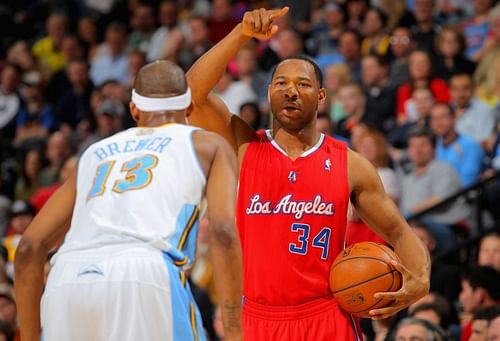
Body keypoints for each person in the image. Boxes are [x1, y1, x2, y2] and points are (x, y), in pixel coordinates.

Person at [184, 7, 430, 340]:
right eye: (281, 83)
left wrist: (420, 279)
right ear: (269, 93)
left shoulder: (350, 163)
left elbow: (398, 231)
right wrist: (241, 34)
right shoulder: (243, 146)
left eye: (303, 84)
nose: (291, 91)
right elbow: (193, 93)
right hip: (257, 317)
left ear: (321, 97)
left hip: (326, 315)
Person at [14, 61, 243, 341]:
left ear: (134, 110)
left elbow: (28, 248)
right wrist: (234, 330)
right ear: (189, 109)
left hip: (67, 279)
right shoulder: (207, 144)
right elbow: (222, 231)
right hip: (145, 272)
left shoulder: (94, 154)